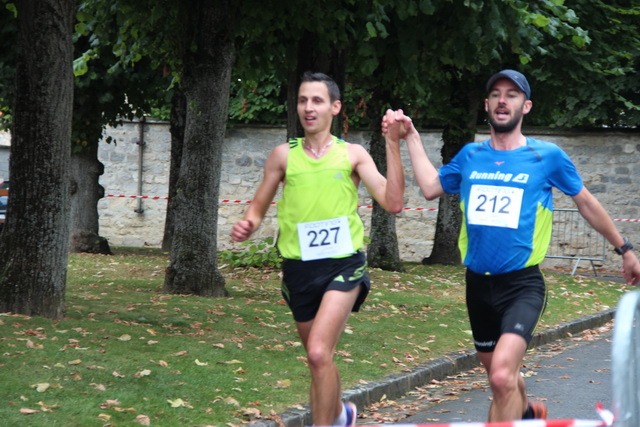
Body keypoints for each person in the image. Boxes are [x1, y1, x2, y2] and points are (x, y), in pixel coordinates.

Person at [382, 69, 640, 422]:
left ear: (526, 105)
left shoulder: (546, 155)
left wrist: (624, 249)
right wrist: (410, 136)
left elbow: (586, 203)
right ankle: (526, 412)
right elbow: (430, 187)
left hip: (522, 286)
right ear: (487, 105)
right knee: (499, 376)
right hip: (477, 285)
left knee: (502, 375)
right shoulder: (471, 156)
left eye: (512, 94)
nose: (503, 100)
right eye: (496, 94)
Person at [231, 71, 405, 426]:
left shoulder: (352, 154)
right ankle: (341, 414)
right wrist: (249, 223)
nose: (308, 108)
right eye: (302, 100)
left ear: (335, 107)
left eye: (317, 100)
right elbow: (258, 206)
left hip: (344, 265)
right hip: (299, 270)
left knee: (318, 351)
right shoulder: (283, 156)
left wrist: (392, 145)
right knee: (318, 361)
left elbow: (393, 201)